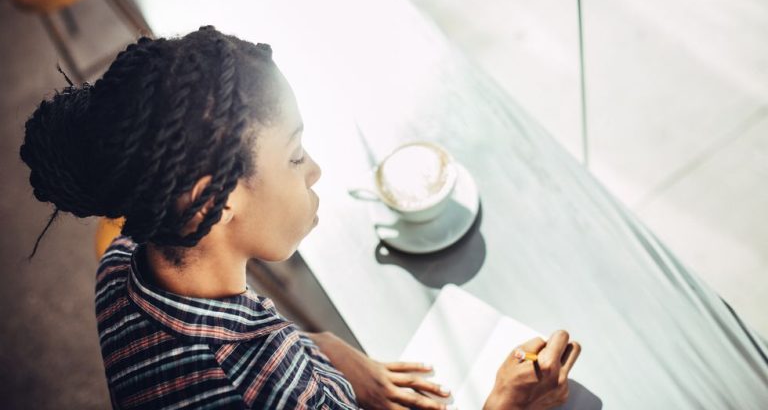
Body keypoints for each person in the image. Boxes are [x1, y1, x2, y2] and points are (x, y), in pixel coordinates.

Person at [20, 26, 581, 409]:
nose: (315, 170)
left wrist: (322, 350)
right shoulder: (288, 395)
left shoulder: (120, 269)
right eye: (293, 155)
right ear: (207, 200)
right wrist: (503, 401)